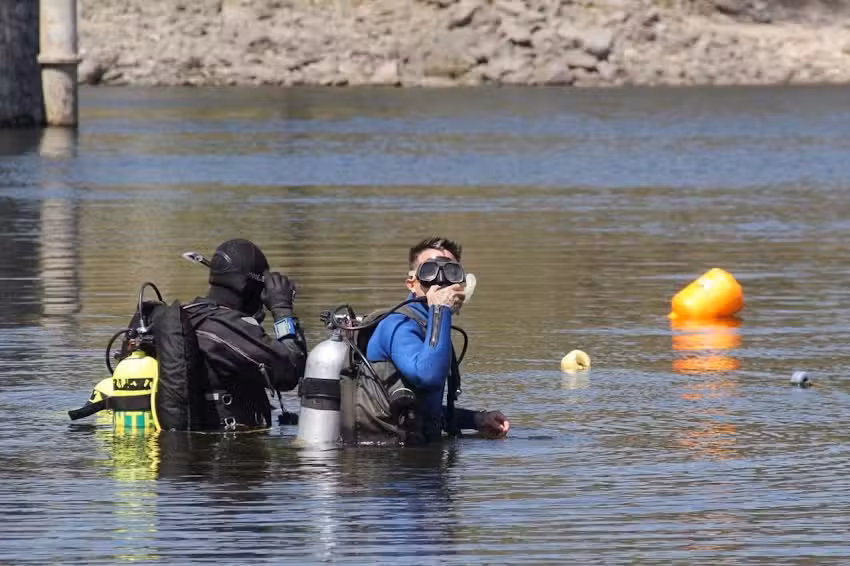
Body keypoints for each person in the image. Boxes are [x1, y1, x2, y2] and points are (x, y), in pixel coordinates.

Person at [365, 237, 509, 445]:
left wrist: (476, 420)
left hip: (416, 454)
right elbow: (428, 376)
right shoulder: (398, 325)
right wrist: (440, 309)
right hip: (384, 458)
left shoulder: (431, 325)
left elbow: (424, 412)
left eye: (451, 272)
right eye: (429, 271)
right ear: (412, 283)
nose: (440, 282)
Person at [181, 238, 307, 430]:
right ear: (248, 287)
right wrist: (282, 310)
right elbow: (290, 370)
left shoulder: (188, 317)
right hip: (226, 447)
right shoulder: (227, 329)